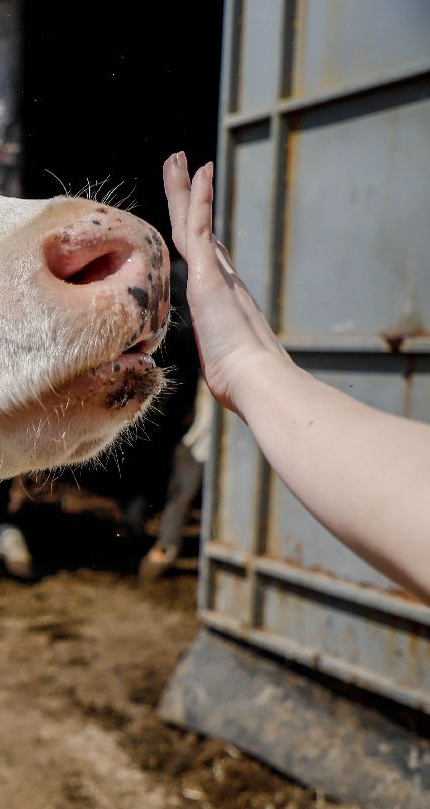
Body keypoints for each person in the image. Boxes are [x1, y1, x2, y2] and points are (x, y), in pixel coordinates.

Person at [162, 152, 430, 602]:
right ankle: (166, 541)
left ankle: (165, 543)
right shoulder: (190, 278)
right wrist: (252, 362)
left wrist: (249, 363)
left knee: (197, 452)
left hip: (219, 383)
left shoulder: (196, 276)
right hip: (214, 382)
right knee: (194, 453)